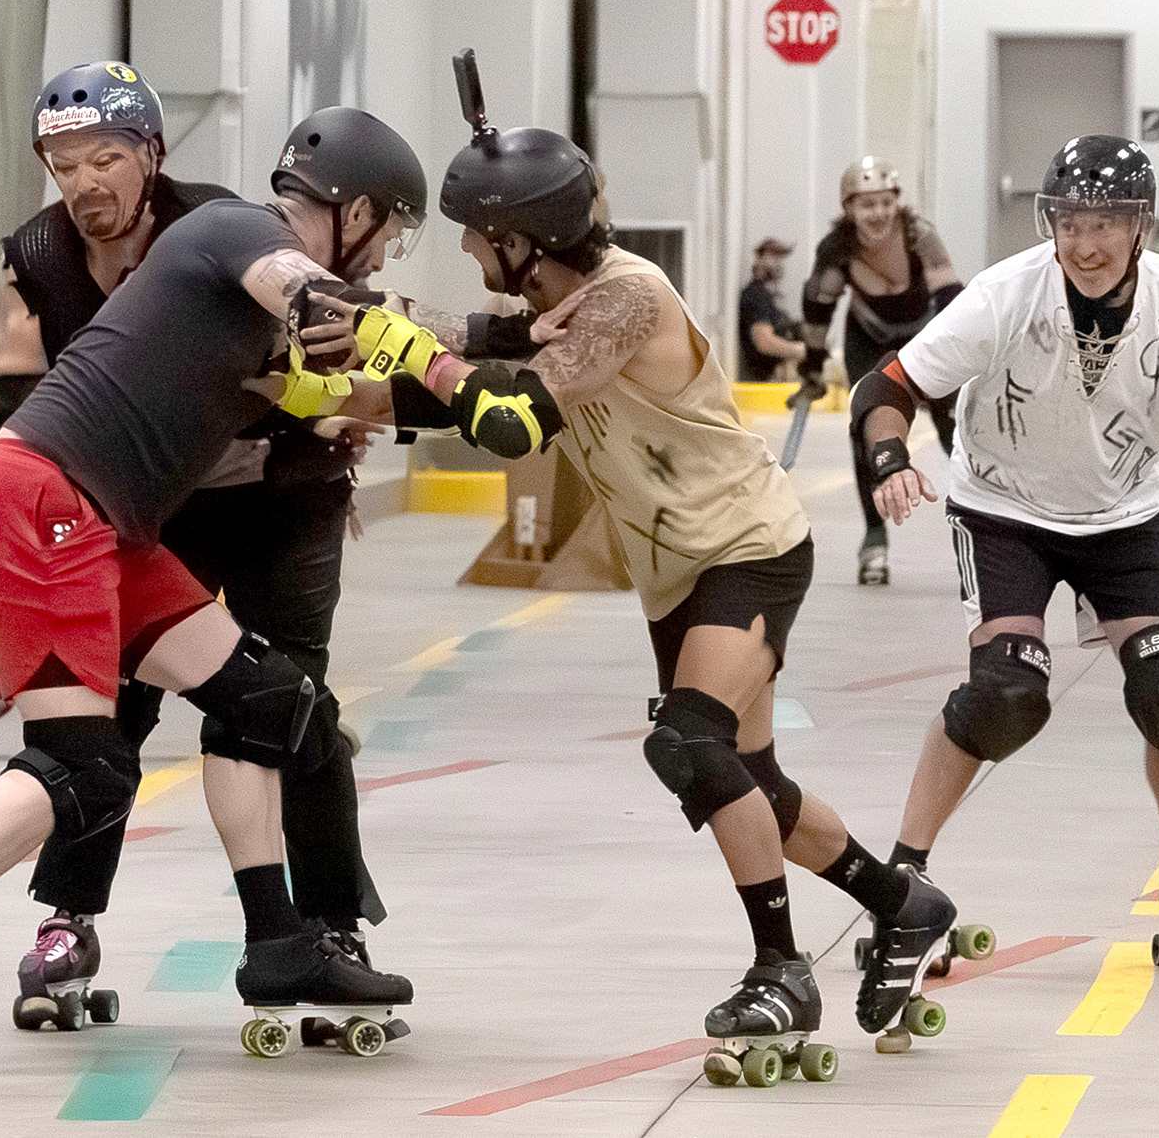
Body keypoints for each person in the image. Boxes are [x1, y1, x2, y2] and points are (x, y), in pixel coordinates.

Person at [319, 60, 937, 1082]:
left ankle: (781, 966)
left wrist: (399, 346)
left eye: (479, 231)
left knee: (692, 746)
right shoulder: (559, 299)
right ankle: (904, 905)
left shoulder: (626, 297)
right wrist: (326, 383)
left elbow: (510, 415)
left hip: (747, 547)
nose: (468, 245)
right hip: (675, 570)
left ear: (522, 237)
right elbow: (470, 358)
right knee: (753, 779)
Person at [0, 105, 426, 1064]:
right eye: (389, 231)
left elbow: (335, 380)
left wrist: (513, 359)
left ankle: (280, 947)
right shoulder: (241, 232)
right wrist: (459, 366)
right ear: (352, 211)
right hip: (47, 503)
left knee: (272, 703)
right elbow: (319, 304)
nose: (388, 256)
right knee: (85, 766)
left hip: (111, 526)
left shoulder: (231, 270)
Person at [850, 136, 1159, 1030]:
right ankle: (908, 877)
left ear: (1142, 227)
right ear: (1047, 222)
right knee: (1007, 696)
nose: (1086, 244)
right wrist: (892, 456)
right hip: (1004, 511)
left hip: (1121, 518)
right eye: (1070, 223)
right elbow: (884, 385)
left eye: (1106, 225)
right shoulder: (1006, 294)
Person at [0, 62, 390, 1033]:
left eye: (105, 156)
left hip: (284, 493)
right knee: (106, 715)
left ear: (151, 156)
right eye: (61, 161)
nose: (82, 182)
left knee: (292, 706)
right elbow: (11, 403)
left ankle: (328, 930)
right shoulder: (34, 256)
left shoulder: (216, 223)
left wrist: (329, 410)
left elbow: (324, 351)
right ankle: (66, 923)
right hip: (149, 512)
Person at [797, 158, 965, 585]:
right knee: (866, 429)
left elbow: (950, 296)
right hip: (867, 339)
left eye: (886, 203)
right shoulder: (837, 248)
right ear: (849, 208)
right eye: (867, 205)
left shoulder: (918, 234)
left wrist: (965, 356)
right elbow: (818, 307)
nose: (878, 214)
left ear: (897, 204)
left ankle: (983, 528)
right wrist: (813, 366)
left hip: (924, 334)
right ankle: (875, 536)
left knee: (955, 430)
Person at [736, 238, 806, 382]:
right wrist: (800, 350)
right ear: (759, 259)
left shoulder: (770, 298)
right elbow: (764, 342)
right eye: (774, 256)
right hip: (766, 383)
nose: (779, 262)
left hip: (780, 380)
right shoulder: (755, 296)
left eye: (781, 257)